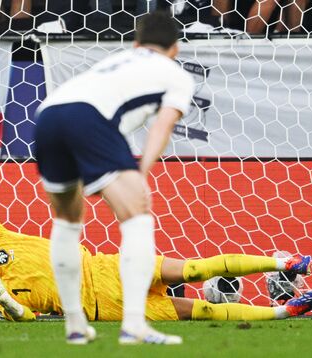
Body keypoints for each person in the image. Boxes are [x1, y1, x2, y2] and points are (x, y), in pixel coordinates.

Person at [0, 192, 312, 329]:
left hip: (107, 268)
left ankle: (284, 265)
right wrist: (12, 304)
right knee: (201, 309)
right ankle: (284, 310)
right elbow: (26, 320)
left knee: (195, 268)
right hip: (106, 308)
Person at [33, 11, 196, 345]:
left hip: (48, 114)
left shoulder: (119, 59)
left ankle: (75, 325)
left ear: (136, 43)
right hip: (89, 117)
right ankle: (135, 324)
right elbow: (163, 125)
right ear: (175, 49)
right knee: (138, 213)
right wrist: (141, 173)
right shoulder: (175, 73)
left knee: (66, 220)